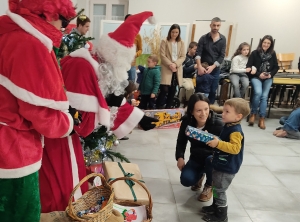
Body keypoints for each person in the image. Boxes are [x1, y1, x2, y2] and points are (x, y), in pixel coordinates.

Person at [39, 11, 158, 213]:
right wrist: (114, 107)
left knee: (71, 179)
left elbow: (108, 97)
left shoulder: (97, 64)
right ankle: (66, 214)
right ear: (113, 58)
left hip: (65, 133)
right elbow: (82, 124)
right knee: (63, 184)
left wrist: (139, 117)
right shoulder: (83, 67)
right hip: (58, 134)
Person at [0, 0, 77, 221]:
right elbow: (40, 112)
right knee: (21, 213)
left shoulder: (5, 32)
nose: (61, 26)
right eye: (62, 19)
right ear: (47, 12)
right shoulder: (28, 43)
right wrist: (68, 124)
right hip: (13, 153)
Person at [204, 98, 250, 222]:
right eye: (223, 110)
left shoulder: (236, 131)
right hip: (221, 163)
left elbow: (235, 148)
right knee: (215, 186)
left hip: (227, 168)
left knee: (219, 189)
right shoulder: (229, 125)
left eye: (227, 112)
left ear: (238, 116)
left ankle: (221, 215)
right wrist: (215, 138)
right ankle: (215, 206)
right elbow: (225, 141)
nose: (222, 114)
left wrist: (218, 143)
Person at [176, 93, 223, 202]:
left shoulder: (218, 124)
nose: (203, 114)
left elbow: (227, 148)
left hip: (212, 159)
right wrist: (180, 157)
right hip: (196, 157)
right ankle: (199, 175)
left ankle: (209, 185)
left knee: (210, 160)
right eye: (199, 110)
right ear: (191, 111)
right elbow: (181, 141)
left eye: (206, 109)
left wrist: (215, 141)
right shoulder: (187, 122)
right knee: (186, 180)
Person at [246, 35, 279, 129]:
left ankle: (262, 118)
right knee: (258, 93)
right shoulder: (254, 53)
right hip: (256, 77)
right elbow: (249, 66)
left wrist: (270, 75)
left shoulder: (272, 53)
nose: (266, 44)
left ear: (271, 44)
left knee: (264, 96)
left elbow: (276, 67)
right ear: (261, 43)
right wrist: (258, 74)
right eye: (265, 42)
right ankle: (253, 114)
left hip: (268, 77)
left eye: (268, 43)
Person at [195, 17, 226, 104]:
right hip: (203, 68)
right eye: (214, 25)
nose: (216, 27)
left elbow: (222, 56)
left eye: (218, 25)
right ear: (210, 25)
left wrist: (213, 67)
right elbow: (198, 54)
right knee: (200, 91)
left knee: (212, 91)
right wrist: (199, 67)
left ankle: (209, 112)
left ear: (220, 26)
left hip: (215, 69)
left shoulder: (223, 39)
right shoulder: (203, 38)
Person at [156, 24, 186, 109]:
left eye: (176, 32)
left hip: (177, 68)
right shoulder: (164, 41)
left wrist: (175, 64)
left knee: (173, 90)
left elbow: (183, 56)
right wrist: (170, 64)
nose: (174, 34)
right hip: (167, 67)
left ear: (179, 33)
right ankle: (158, 106)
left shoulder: (181, 42)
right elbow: (162, 55)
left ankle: (168, 107)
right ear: (170, 32)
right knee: (164, 89)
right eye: (173, 32)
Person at [125, 14, 143, 82]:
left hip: (132, 64)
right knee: (121, 85)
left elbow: (140, 49)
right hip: (122, 64)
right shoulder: (121, 33)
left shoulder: (137, 35)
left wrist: (135, 54)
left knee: (131, 84)